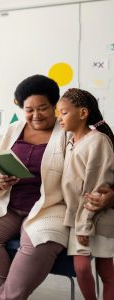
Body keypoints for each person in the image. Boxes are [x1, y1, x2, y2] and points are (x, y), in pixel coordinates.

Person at [0, 74, 69, 300]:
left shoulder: (68, 133)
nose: (35, 115)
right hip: (8, 205)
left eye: (42, 108)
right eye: (29, 109)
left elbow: (80, 176)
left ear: (55, 106)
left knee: (42, 240)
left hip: (49, 208)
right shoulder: (11, 129)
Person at [57, 88, 114, 300]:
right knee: (81, 269)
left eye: (64, 112)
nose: (59, 118)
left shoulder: (98, 141)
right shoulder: (69, 142)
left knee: (106, 271)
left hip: (97, 218)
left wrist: (85, 224)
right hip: (78, 219)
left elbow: (96, 190)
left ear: (82, 113)